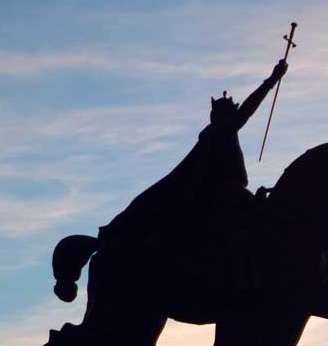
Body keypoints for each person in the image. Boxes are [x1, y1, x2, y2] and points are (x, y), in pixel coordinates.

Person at [100, 59, 289, 256]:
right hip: (226, 192)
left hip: (229, 191)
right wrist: (272, 79)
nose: (236, 113)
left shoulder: (216, 132)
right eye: (232, 110)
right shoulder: (220, 130)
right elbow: (247, 110)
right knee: (261, 222)